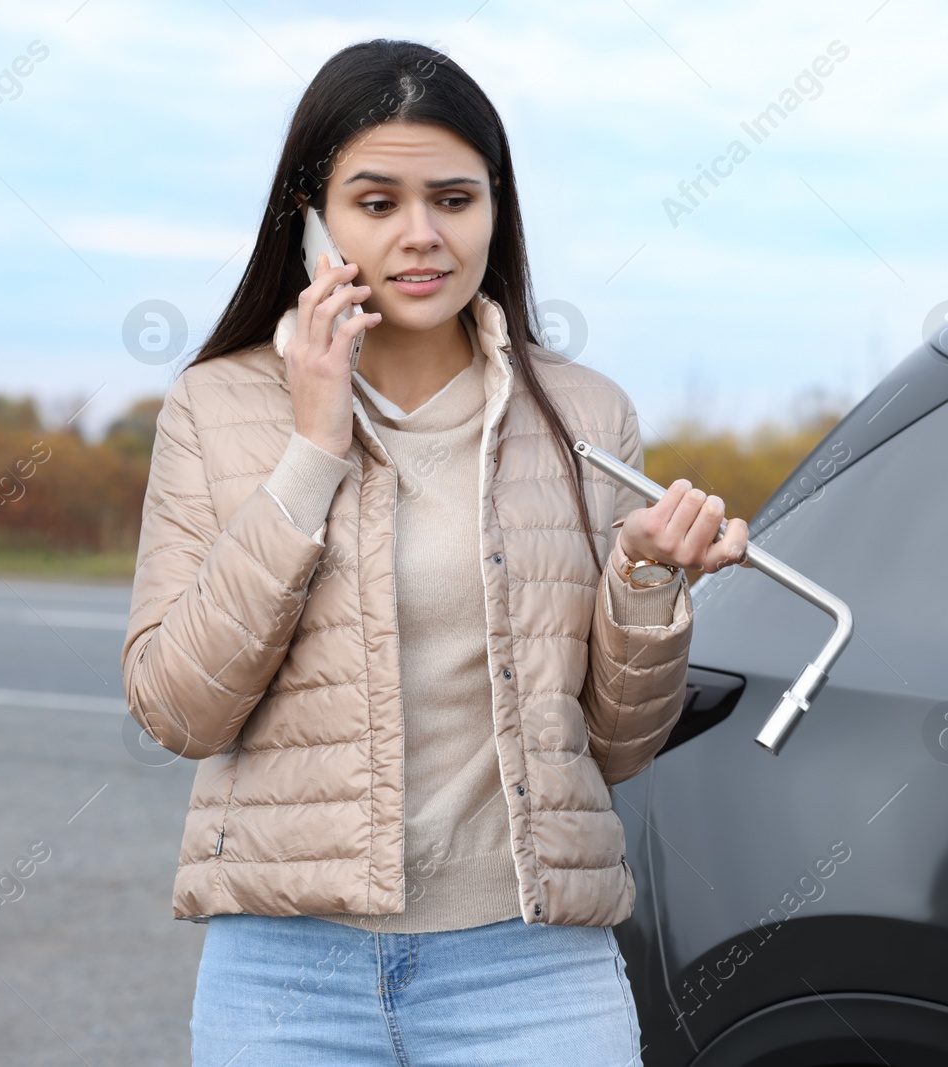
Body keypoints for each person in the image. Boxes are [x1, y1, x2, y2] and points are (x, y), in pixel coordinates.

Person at [120, 38, 750, 1066]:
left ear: (495, 209)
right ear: (314, 216)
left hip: (532, 962)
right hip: (286, 970)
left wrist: (642, 581)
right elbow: (181, 709)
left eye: (453, 199)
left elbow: (618, 747)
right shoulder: (217, 404)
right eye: (378, 202)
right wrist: (312, 450)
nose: (422, 236)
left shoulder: (585, 414)